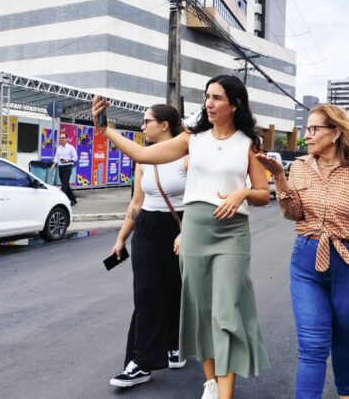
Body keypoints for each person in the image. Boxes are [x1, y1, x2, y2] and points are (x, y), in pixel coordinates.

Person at [92, 75, 270, 399]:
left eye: (216, 97)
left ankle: (224, 394)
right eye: (207, 97)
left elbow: (263, 194)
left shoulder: (249, 144)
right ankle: (211, 381)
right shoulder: (193, 138)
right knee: (201, 310)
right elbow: (144, 155)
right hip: (196, 231)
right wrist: (106, 130)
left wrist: (242, 193)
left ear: (235, 104)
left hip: (231, 234)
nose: (209, 103)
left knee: (226, 310)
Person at [257, 104, 349, 399]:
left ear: (335, 132)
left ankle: (346, 393)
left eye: (313, 129)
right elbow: (293, 213)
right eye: (306, 130)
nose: (307, 136)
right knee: (312, 343)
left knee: (344, 338)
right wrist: (280, 177)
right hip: (307, 263)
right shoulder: (301, 167)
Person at [108, 104, 188, 388]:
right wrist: (121, 239)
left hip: (178, 228)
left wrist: (188, 232)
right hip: (146, 229)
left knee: (175, 289)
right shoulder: (143, 159)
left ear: (165, 125)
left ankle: (174, 344)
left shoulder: (186, 156)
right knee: (146, 293)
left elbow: (198, 200)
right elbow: (136, 202)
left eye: (147, 121)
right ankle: (140, 362)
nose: (142, 127)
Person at [51, 132, 78, 206]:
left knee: (64, 186)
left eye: (63, 138)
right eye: (60, 138)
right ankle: (73, 199)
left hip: (67, 168)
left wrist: (67, 160)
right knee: (65, 184)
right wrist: (54, 164)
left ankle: (62, 202)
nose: (61, 139)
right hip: (61, 168)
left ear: (66, 139)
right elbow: (56, 157)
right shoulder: (58, 148)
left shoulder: (71, 147)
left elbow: (75, 158)